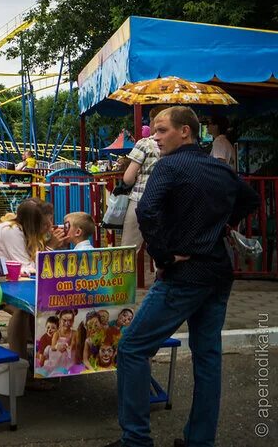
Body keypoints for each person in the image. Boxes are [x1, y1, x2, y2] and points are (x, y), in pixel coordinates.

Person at [109, 106, 259, 447]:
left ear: (185, 132)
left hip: (184, 275)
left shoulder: (170, 166)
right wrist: (223, 225)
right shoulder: (219, 169)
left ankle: (135, 440)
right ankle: (200, 440)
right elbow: (249, 200)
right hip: (219, 273)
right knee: (207, 356)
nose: (154, 137)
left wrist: (163, 254)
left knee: (133, 347)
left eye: (161, 131)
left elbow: (146, 210)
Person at [0, 199, 65, 359]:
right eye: (45, 224)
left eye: (51, 220)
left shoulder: (21, 229)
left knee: (36, 308)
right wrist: (50, 246)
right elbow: (27, 268)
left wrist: (48, 245)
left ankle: (34, 353)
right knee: (25, 309)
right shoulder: (12, 231)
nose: (49, 226)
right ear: (32, 224)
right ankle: (20, 361)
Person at [119, 106, 165, 250]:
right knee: (161, 248)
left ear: (154, 121)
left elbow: (128, 178)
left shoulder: (144, 144)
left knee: (128, 250)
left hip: (140, 199)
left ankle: (124, 273)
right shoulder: (175, 146)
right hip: (164, 201)